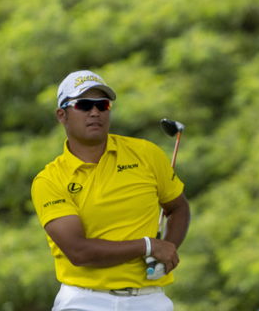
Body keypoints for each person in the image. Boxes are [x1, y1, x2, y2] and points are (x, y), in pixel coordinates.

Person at [31, 70, 190, 311]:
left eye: (102, 105)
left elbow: (178, 207)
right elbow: (79, 252)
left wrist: (168, 248)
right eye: (84, 105)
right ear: (62, 115)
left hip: (150, 299)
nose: (95, 112)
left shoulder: (146, 154)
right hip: (84, 300)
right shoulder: (49, 180)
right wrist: (148, 246)